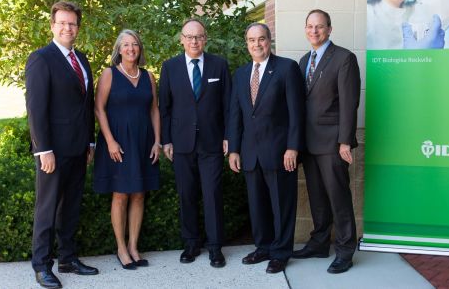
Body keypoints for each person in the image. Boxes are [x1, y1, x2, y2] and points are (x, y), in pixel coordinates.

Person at [25, 0, 98, 289]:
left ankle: (68, 258)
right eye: (62, 23)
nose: (68, 27)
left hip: (79, 148)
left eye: (72, 23)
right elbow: (36, 108)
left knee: (70, 207)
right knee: (47, 208)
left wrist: (90, 141)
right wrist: (43, 149)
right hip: (52, 151)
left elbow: (87, 105)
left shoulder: (82, 59)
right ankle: (41, 265)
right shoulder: (41, 58)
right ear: (53, 26)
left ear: (77, 27)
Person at [228, 23, 305, 274]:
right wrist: (234, 149)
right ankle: (263, 247)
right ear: (246, 43)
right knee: (257, 204)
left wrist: (292, 147)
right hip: (250, 154)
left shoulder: (286, 68)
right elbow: (235, 114)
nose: (256, 44)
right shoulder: (240, 74)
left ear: (269, 40)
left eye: (261, 39)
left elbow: (297, 113)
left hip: (280, 152)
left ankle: (281, 252)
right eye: (251, 40)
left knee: (282, 205)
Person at [292, 9, 360, 274]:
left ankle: (344, 251)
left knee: (338, 198)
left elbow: (349, 103)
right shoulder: (302, 61)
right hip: (308, 144)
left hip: (333, 143)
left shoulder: (344, 58)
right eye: (310, 26)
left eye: (319, 27)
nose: (314, 31)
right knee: (317, 198)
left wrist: (345, 142)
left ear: (329, 29)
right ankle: (319, 243)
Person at [159, 19, 231, 268]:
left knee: (212, 195)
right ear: (181, 39)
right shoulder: (170, 67)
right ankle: (191, 244)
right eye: (189, 36)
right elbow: (164, 108)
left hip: (212, 143)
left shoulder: (219, 65)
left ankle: (215, 248)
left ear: (205, 39)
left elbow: (228, 105)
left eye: (198, 36)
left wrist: (228, 137)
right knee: (186, 195)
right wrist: (165, 140)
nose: (193, 41)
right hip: (181, 144)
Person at [93, 29, 160, 270]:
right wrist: (110, 140)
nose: (131, 48)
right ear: (119, 49)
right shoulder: (109, 74)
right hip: (118, 143)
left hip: (144, 142)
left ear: (139, 49)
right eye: (126, 45)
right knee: (120, 193)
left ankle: (133, 246)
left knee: (140, 193)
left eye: (135, 45)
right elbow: (99, 109)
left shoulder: (148, 76)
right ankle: (121, 248)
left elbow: (154, 109)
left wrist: (157, 141)